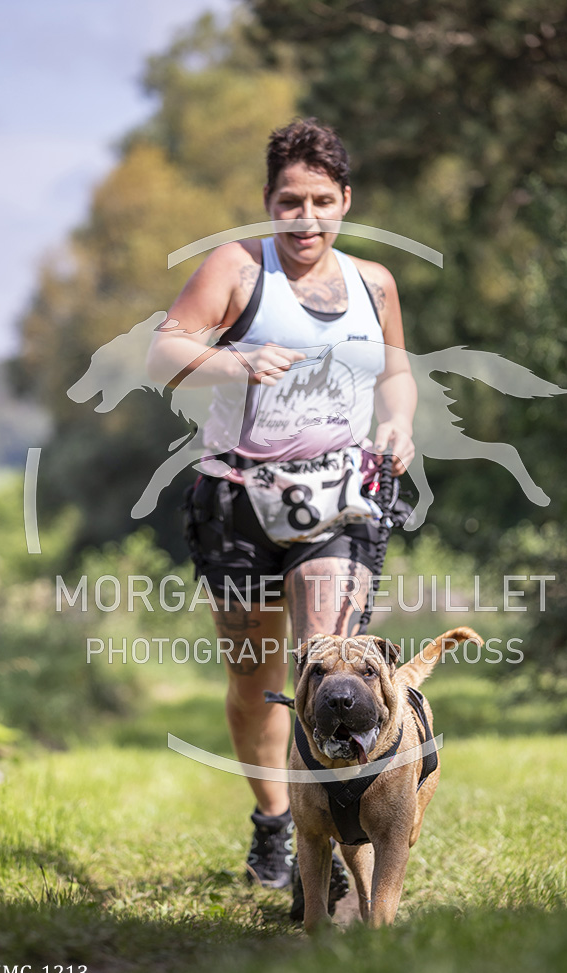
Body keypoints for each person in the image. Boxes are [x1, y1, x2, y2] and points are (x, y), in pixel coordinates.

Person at [147, 118, 416, 893]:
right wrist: (232, 359)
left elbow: (395, 373)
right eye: (289, 202)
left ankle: (318, 850)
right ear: (267, 201)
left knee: (327, 669)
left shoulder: (374, 283)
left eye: (321, 202)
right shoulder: (237, 268)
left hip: (337, 503)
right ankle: (273, 818)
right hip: (236, 504)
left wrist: (397, 423)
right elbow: (162, 352)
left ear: (345, 201)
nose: (305, 219)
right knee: (253, 680)